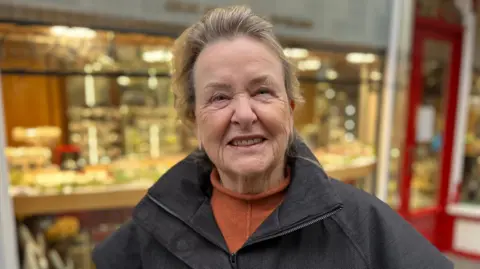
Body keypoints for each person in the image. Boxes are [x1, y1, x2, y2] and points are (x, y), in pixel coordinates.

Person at [93, 6, 453, 269]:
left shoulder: (364, 228)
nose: (245, 115)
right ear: (193, 120)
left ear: (290, 108)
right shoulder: (146, 236)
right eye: (219, 97)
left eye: (262, 91)